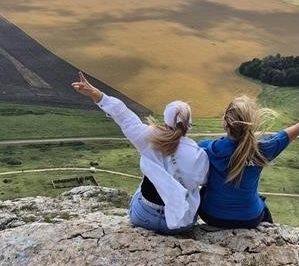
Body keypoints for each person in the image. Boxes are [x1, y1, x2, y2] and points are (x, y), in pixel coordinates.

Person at [71, 71, 208, 235]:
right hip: (181, 223)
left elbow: (124, 116)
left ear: (165, 120)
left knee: (146, 180)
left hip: (144, 217)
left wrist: (96, 94)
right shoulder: (199, 155)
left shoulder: (148, 137)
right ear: (189, 125)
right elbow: (203, 181)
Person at [197, 92, 299, 228]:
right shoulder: (263, 149)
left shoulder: (208, 148)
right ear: (253, 123)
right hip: (249, 218)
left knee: (202, 191)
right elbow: (298, 129)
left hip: (212, 216)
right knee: (260, 202)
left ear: (225, 122)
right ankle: (271, 233)